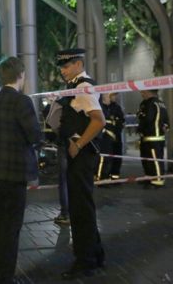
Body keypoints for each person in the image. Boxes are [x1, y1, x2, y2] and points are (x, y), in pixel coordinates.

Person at [0, 57, 42, 284]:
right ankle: (6, 275)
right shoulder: (22, 102)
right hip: (16, 172)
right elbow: (34, 135)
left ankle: (0, 272)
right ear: (21, 76)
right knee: (13, 226)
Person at [55, 48, 106, 280]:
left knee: (80, 208)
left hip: (82, 156)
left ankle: (85, 262)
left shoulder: (83, 87)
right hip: (79, 156)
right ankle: (95, 254)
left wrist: (79, 144)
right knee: (83, 205)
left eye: (66, 66)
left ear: (78, 64)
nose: (63, 71)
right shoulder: (76, 86)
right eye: (62, 67)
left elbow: (99, 121)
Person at [137, 89, 169, 187]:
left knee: (154, 159)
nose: (141, 94)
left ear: (148, 92)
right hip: (157, 136)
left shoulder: (149, 104)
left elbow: (147, 119)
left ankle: (158, 180)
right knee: (150, 159)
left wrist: (140, 127)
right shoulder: (161, 103)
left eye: (143, 92)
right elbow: (166, 120)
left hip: (151, 136)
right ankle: (150, 177)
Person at [107, 93, 125, 179]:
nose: (115, 97)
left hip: (117, 137)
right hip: (107, 138)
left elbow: (121, 121)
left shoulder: (117, 108)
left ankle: (115, 176)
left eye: (115, 95)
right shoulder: (104, 108)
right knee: (107, 158)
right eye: (113, 95)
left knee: (117, 156)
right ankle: (106, 175)